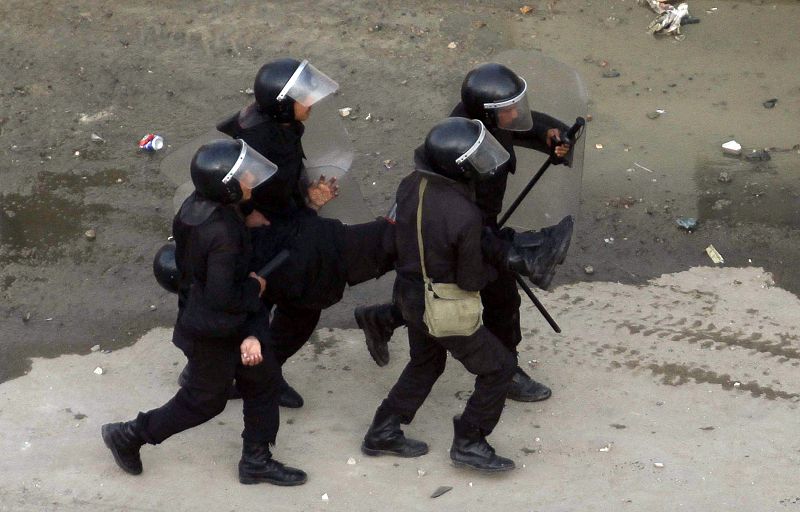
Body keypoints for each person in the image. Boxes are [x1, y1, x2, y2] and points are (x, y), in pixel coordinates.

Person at [355, 63, 575, 402]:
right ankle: (507, 370)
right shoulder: (459, 139)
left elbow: (516, 126)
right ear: (485, 115)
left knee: (475, 296)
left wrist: (549, 134)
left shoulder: (490, 118)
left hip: (479, 224)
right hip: (463, 230)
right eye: (507, 109)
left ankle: (382, 318)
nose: (515, 113)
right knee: (494, 298)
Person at [102, 139, 306, 486]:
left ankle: (256, 460)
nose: (251, 177)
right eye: (243, 175)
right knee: (203, 401)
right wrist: (255, 294)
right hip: (214, 330)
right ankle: (130, 435)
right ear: (226, 187)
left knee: (263, 380)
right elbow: (223, 294)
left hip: (214, 320)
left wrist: (243, 216)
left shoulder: (196, 208)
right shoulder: (224, 235)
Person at [362, 117, 518, 472]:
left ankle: (383, 430)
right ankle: (470, 440)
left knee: (426, 362)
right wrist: (501, 266)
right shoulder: (465, 214)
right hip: (442, 305)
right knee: (500, 367)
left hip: (409, 293)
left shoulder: (410, 184)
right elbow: (471, 279)